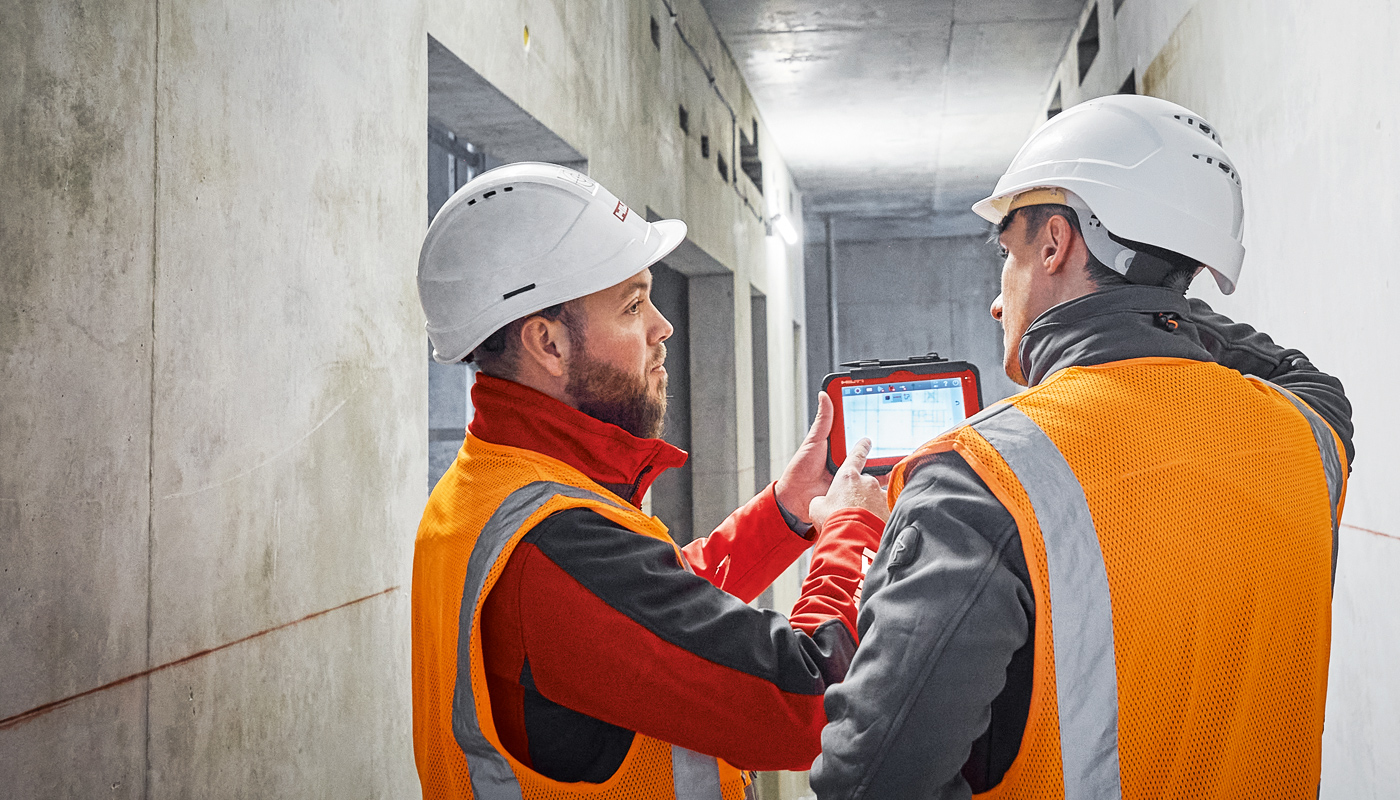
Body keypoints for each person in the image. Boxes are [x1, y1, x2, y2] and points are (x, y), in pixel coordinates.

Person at [811, 95, 1353, 799]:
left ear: (1053, 243)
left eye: (1007, 255)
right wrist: (1162, 299)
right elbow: (1299, 373)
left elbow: (870, 784)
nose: (998, 302)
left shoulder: (980, 480)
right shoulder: (1310, 437)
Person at [411, 162, 888, 800]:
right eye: (633, 304)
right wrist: (855, 527)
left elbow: (651, 616)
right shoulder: (552, 546)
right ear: (548, 343)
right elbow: (808, 700)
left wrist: (783, 513)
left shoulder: (493, 486)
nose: (663, 327)